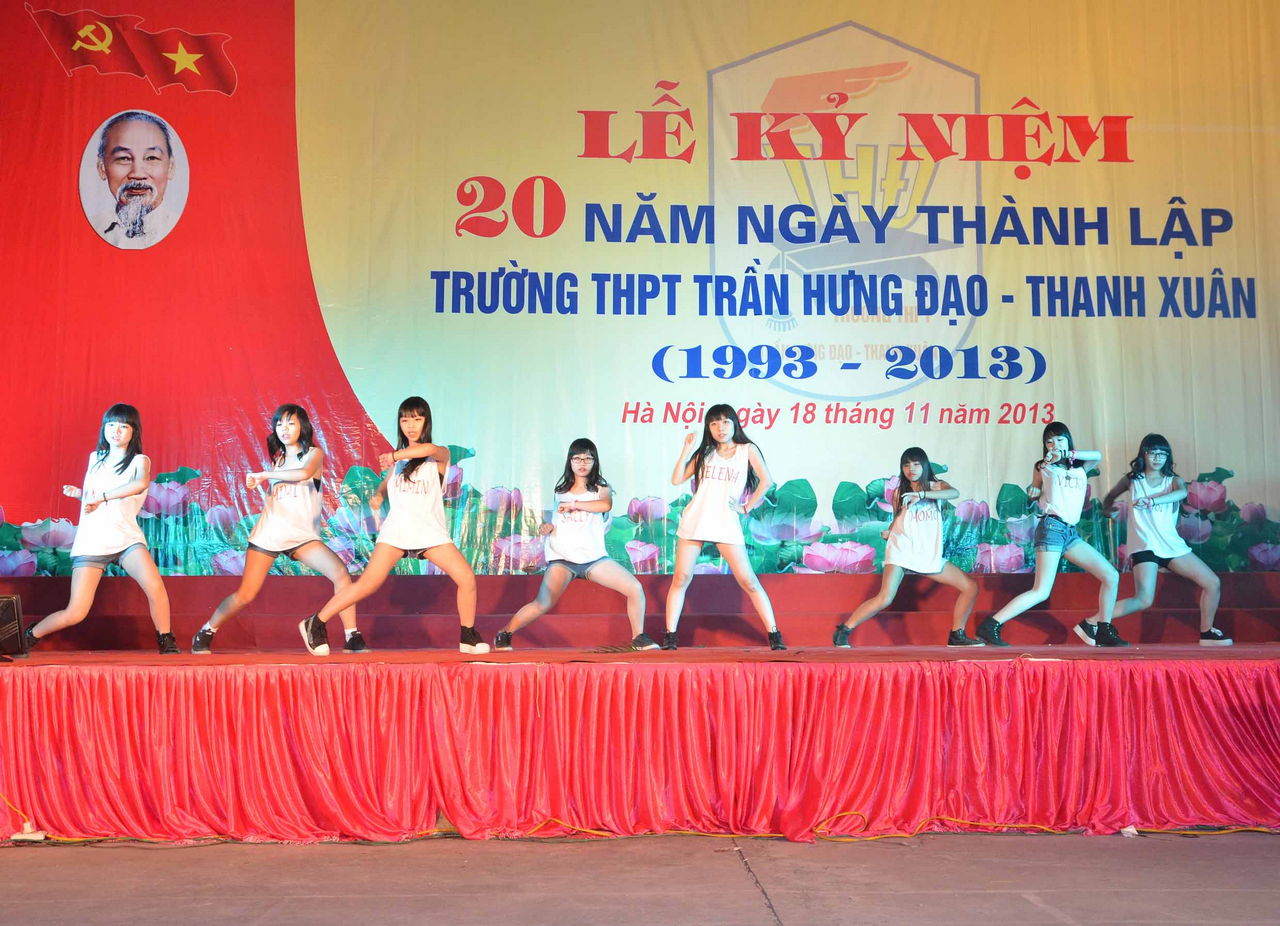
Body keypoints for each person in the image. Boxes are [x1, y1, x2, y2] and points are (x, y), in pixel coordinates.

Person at [299, 396, 489, 655]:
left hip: (430, 533)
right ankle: (316, 621)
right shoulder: (398, 464)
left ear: (426, 422)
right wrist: (379, 495)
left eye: (417, 419)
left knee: (466, 578)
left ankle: (468, 636)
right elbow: (386, 482)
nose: (410, 425)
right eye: (405, 420)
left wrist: (394, 454)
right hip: (397, 532)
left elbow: (427, 449)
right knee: (367, 584)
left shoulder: (439, 455)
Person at [192, 405, 362, 654]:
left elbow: (304, 473)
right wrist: (263, 476)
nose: (284, 429)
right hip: (269, 535)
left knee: (341, 575)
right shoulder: (279, 459)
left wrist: (263, 475)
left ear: (303, 426)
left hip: (301, 537)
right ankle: (207, 630)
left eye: (291, 423)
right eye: (279, 424)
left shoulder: (313, 454)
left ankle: (351, 636)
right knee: (246, 594)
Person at [24, 404, 179, 653]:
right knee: (76, 612)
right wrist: (81, 495)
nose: (115, 431)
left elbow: (139, 484)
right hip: (93, 541)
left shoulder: (139, 461)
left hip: (126, 538)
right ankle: (28, 636)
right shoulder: (95, 458)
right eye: (111, 425)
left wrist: (101, 497)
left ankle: (166, 638)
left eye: (123, 426)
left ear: (133, 431)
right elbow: (92, 498)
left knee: (155, 587)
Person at [494, 439, 657, 651]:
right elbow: (556, 520)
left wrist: (573, 504)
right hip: (562, 559)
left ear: (594, 461)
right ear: (570, 461)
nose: (582, 463)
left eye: (588, 458)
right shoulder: (560, 491)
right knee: (543, 603)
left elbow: (605, 505)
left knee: (634, 588)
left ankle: (638, 637)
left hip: (594, 559)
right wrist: (547, 527)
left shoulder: (601, 489)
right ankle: (505, 633)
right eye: (577, 458)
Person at [976, 422, 1122, 647]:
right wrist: (1034, 490)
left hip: (1070, 533)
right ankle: (991, 625)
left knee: (1111, 576)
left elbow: (1098, 455)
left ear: (1068, 441)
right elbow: (1035, 487)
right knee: (1041, 591)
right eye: (1049, 441)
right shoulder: (1044, 466)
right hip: (1052, 528)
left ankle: (1101, 628)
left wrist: (1069, 454)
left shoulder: (1080, 466)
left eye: (1060, 439)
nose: (1055, 444)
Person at [662, 404, 784, 650]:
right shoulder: (705, 453)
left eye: (726, 422)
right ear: (708, 427)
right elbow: (676, 479)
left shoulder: (746, 450)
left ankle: (774, 634)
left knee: (748, 581)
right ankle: (670, 636)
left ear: (734, 424)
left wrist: (746, 507)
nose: (721, 428)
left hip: (725, 522)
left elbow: (766, 480)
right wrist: (686, 449)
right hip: (696, 519)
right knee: (681, 578)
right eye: (714, 423)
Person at [834, 448, 983, 647]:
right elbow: (898, 517)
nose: (911, 469)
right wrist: (889, 531)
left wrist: (921, 494)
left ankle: (957, 634)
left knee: (970, 587)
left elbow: (954, 493)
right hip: (901, 549)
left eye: (916, 464)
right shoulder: (900, 492)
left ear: (924, 465)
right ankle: (844, 630)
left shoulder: (936, 486)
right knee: (885, 597)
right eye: (906, 465)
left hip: (926, 553)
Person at [1096, 433, 1231, 645]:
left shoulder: (1173, 481)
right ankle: (1095, 622)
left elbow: (1181, 493)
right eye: (1153, 453)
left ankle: (1207, 632)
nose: (1158, 458)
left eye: (1162, 453)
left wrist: (1152, 501)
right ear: (1143, 454)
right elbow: (1111, 496)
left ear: (1168, 456)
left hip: (1170, 546)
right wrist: (1107, 508)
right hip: (1145, 545)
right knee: (1144, 599)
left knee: (1212, 582)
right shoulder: (1133, 480)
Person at [89, 111, 180, 249]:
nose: (137, 174)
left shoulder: (184, 230)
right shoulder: (90, 229)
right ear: (102, 168)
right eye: (124, 158)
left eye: (151, 158)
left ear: (170, 167)